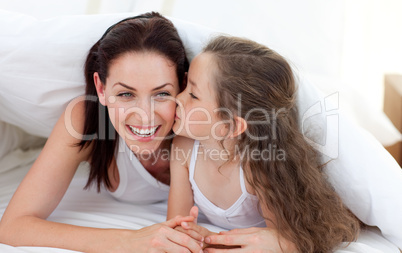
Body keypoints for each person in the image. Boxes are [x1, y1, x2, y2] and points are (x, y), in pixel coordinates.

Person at [0, 12, 204, 253]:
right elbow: (13, 226)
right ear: (101, 88)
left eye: (161, 94)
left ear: (182, 85)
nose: (145, 116)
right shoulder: (85, 121)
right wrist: (128, 241)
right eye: (126, 94)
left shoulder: (203, 123)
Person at [167, 35, 361, 252]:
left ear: (231, 126)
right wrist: (194, 237)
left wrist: (215, 241)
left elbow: (279, 242)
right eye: (185, 86)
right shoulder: (183, 147)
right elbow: (175, 227)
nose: (177, 98)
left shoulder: (257, 167)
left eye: (193, 95)